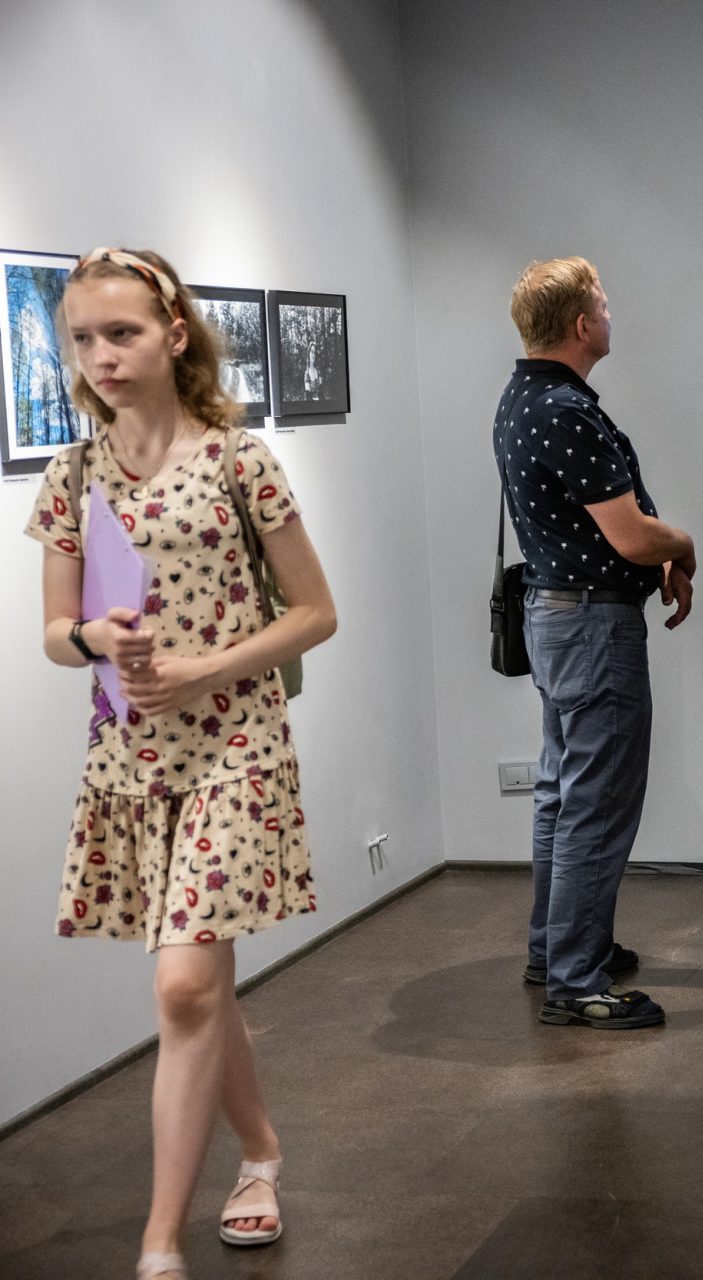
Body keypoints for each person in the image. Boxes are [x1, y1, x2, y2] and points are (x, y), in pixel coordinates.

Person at [26, 248, 338, 1280]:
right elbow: (53, 632)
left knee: (182, 986)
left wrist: (207, 668)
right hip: (128, 748)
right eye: (82, 338)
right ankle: (259, 1152)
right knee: (196, 987)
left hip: (235, 742)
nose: (101, 355)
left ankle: (158, 1239)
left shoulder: (241, 460)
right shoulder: (73, 474)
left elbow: (315, 612)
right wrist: (95, 641)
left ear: (172, 334)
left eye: (120, 333)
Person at [495, 257, 695, 1030]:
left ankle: (558, 949)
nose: (611, 315)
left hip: (558, 617)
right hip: (590, 625)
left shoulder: (525, 398)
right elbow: (631, 534)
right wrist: (681, 542)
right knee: (596, 801)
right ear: (582, 325)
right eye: (605, 305)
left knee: (562, 788)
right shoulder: (562, 412)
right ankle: (577, 983)